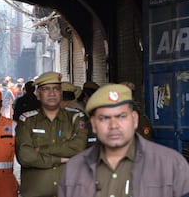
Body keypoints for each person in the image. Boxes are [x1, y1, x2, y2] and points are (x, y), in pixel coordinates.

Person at [58, 84, 189, 197]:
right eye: (104, 118)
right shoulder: (74, 169)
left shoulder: (171, 165)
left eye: (121, 116)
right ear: (93, 124)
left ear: (135, 119)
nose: (114, 125)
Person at [15, 71, 88, 197]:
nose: (52, 93)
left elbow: (79, 147)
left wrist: (41, 150)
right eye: (46, 89)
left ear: (61, 93)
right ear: (38, 94)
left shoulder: (76, 118)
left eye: (56, 89)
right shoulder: (27, 121)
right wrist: (59, 159)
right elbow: (25, 156)